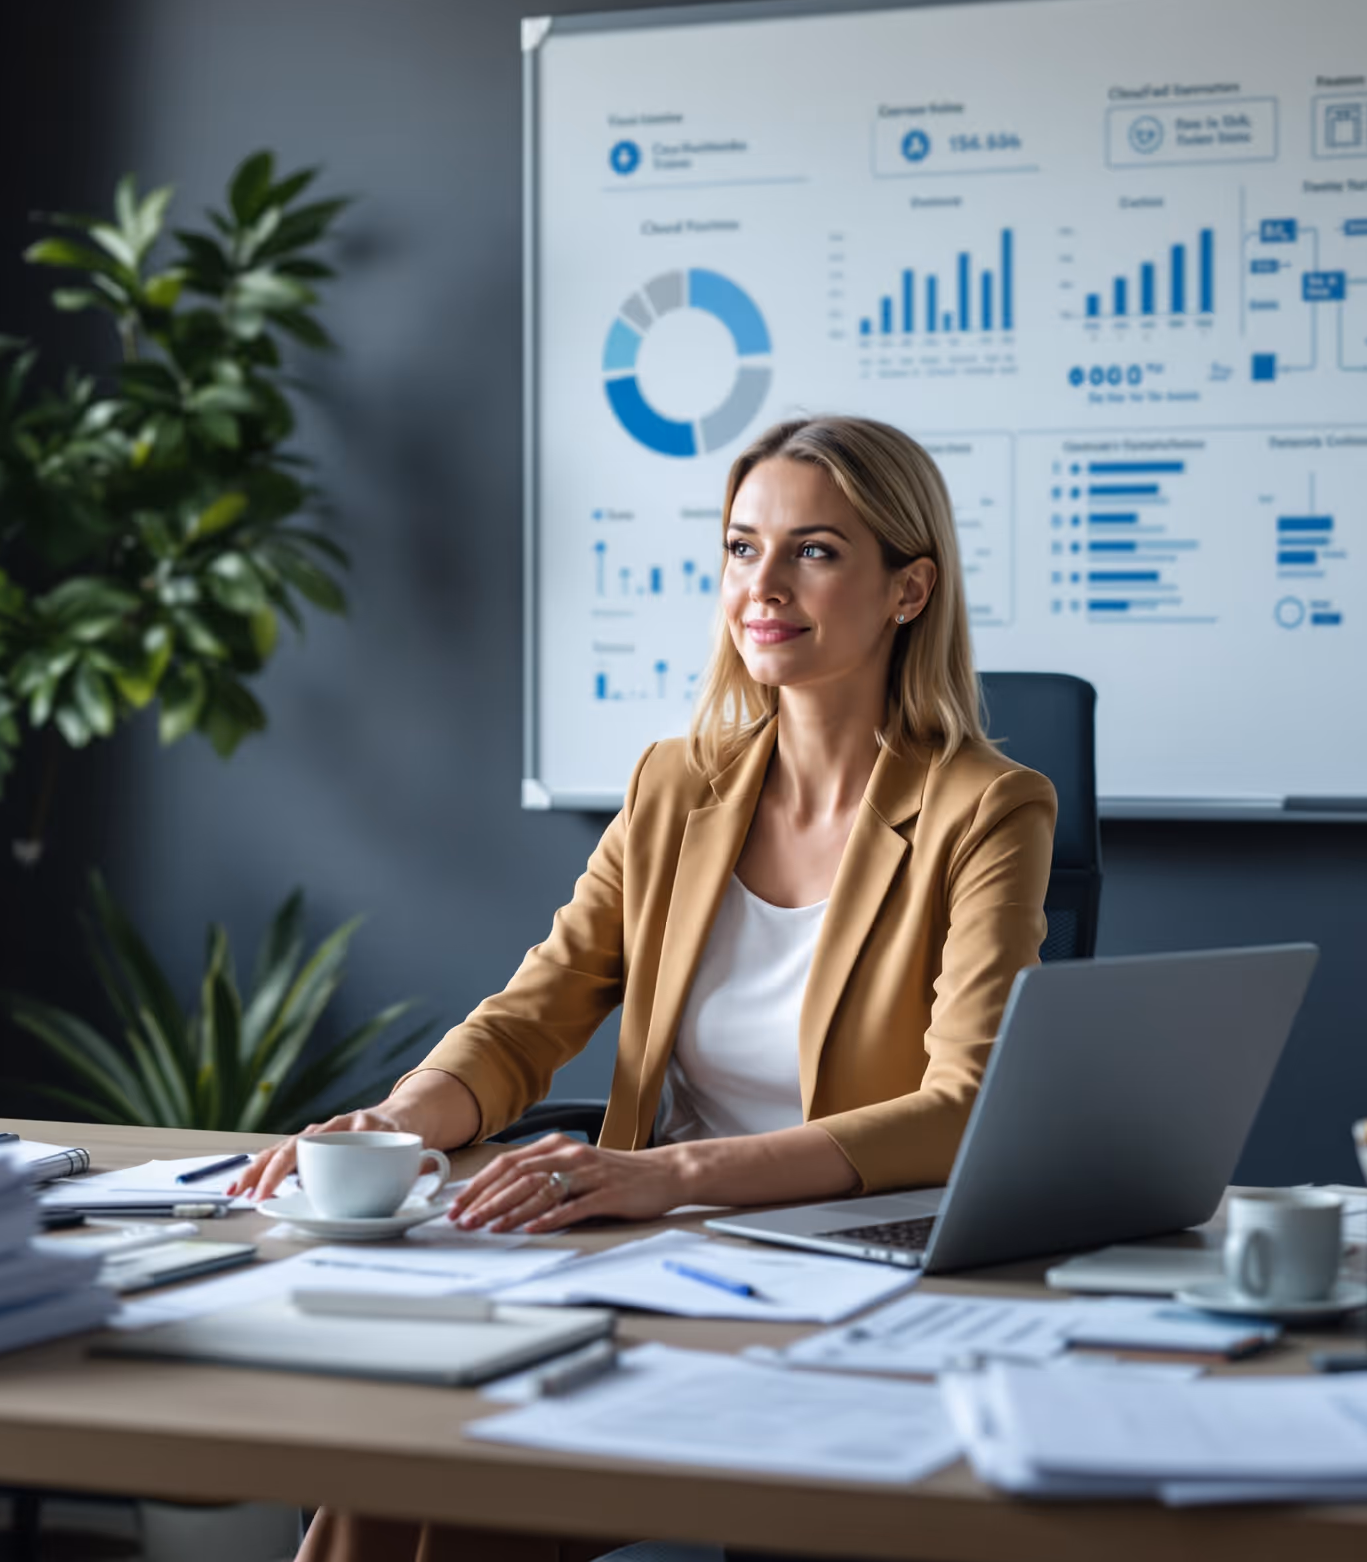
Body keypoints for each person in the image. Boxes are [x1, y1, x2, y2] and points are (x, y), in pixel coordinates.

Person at [237, 413, 1058, 1562]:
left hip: (840, 1275)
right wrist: (397, 1118)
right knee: (401, 1451)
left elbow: (965, 1102)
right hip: (652, 1259)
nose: (762, 584)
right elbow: (538, 1007)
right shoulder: (678, 784)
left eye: (814, 550)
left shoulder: (989, 805)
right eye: (740, 546)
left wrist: (662, 1173)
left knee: (468, 1480)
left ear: (908, 588)